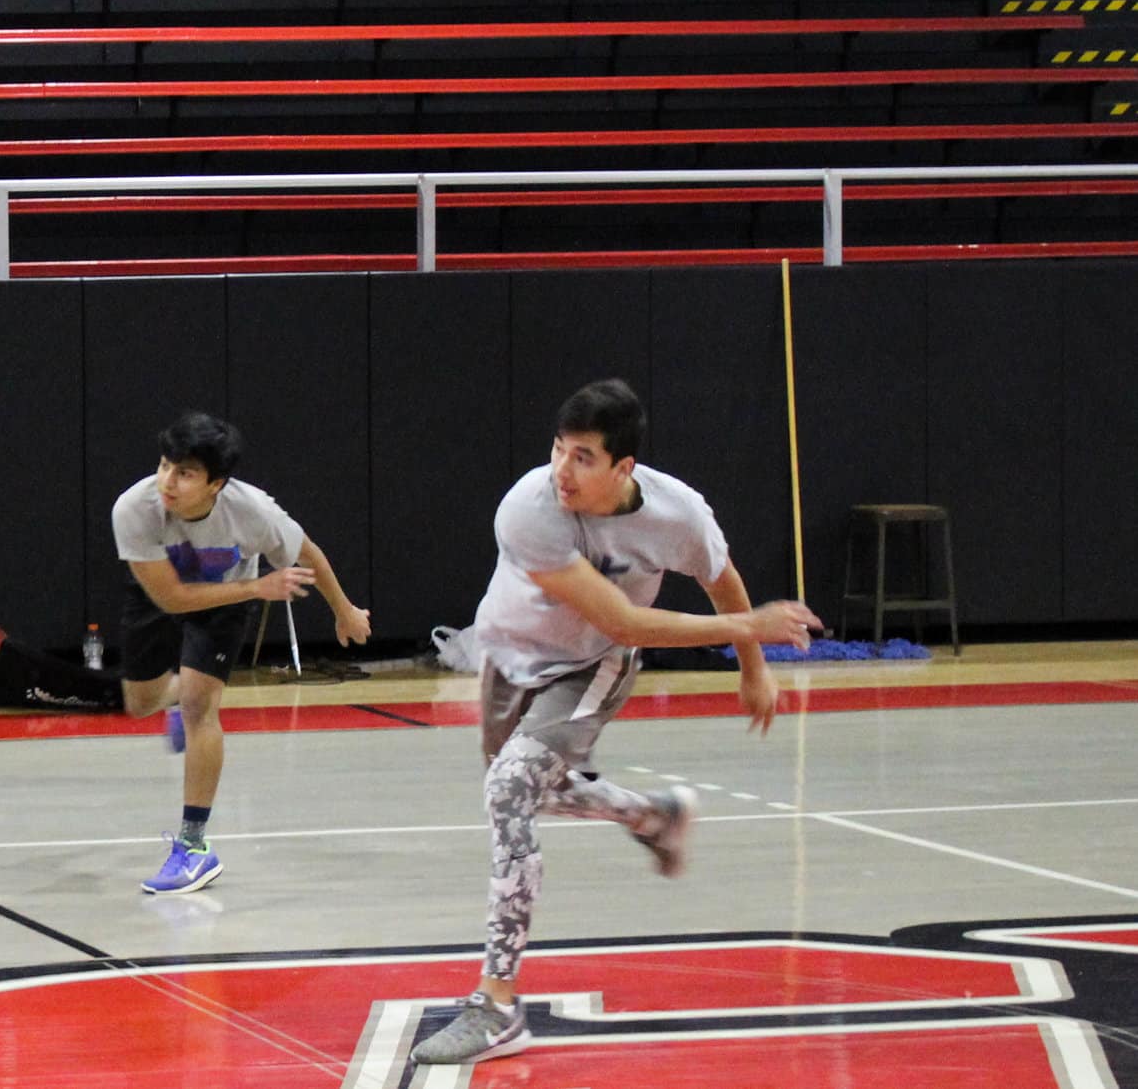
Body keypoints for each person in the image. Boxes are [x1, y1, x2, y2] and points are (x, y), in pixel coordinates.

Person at [410, 379, 823, 1067]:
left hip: (588, 668)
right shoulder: (529, 507)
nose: (561, 471)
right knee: (528, 790)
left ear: (623, 468)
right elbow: (624, 613)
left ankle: (497, 1006)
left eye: (582, 458)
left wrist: (752, 664)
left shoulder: (679, 515)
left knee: (510, 792)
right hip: (508, 660)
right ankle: (652, 816)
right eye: (558, 450)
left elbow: (717, 580)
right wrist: (746, 629)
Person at [111, 412, 371, 895]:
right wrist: (260, 586)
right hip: (160, 589)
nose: (168, 481)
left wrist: (345, 611)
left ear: (216, 484)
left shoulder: (253, 513)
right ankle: (176, 698)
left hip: (225, 601)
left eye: (185, 473)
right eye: (166, 465)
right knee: (139, 703)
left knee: (200, 707)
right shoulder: (134, 508)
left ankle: (193, 848)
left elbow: (308, 553)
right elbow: (170, 599)